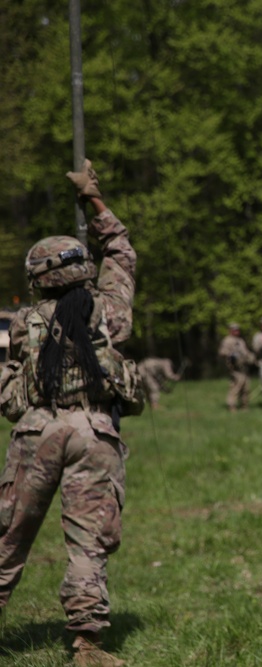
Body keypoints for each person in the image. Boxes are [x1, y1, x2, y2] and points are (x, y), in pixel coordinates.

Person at [0, 159, 140, 667]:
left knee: (8, 537)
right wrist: (94, 201)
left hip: (38, 429)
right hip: (94, 432)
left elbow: (12, 385)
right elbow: (122, 253)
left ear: (37, 279)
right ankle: (88, 646)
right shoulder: (110, 313)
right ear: (82, 268)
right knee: (89, 540)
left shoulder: (23, 322)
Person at [218, 322, 252, 413]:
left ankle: (244, 405)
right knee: (236, 387)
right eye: (234, 330)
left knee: (246, 387)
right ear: (230, 331)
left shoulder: (240, 341)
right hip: (234, 368)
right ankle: (232, 406)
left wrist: (251, 357)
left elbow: (246, 352)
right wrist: (231, 354)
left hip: (243, 367)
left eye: (237, 329)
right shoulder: (227, 340)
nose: (236, 331)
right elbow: (222, 352)